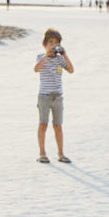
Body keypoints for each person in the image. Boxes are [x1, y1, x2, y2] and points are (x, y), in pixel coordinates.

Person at [34, 28, 75, 164]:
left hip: (57, 97)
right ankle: (42, 153)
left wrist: (65, 54)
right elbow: (36, 69)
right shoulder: (41, 57)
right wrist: (46, 55)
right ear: (45, 44)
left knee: (58, 126)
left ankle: (61, 153)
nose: (53, 45)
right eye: (50, 42)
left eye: (56, 43)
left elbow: (71, 70)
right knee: (43, 124)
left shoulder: (59, 59)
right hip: (44, 97)